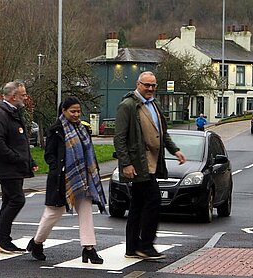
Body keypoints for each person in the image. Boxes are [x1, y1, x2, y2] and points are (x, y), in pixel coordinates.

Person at [114, 71, 186, 260]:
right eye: (147, 85)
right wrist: (126, 163)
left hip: (153, 164)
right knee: (153, 201)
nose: (151, 89)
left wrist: (175, 150)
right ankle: (146, 245)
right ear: (138, 84)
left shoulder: (154, 104)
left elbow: (163, 133)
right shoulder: (128, 106)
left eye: (153, 85)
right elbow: (119, 138)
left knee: (137, 205)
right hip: (139, 165)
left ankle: (132, 248)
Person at [27, 96, 106, 264]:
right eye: (73, 111)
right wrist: (59, 169)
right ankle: (37, 243)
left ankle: (89, 249)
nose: (76, 114)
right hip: (62, 180)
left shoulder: (83, 129)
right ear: (64, 111)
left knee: (86, 213)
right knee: (53, 214)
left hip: (83, 178)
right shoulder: (56, 129)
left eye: (78, 111)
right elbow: (49, 155)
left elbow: (88, 152)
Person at [0, 81, 38, 254]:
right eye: (23, 95)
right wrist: (15, 158)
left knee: (9, 201)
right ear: (13, 96)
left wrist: (29, 161)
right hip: (7, 168)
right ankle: (0, 234)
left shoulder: (13, 113)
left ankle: (3, 240)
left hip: (14, 167)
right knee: (17, 200)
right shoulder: (0, 115)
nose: (26, 97)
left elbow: (20, 142)